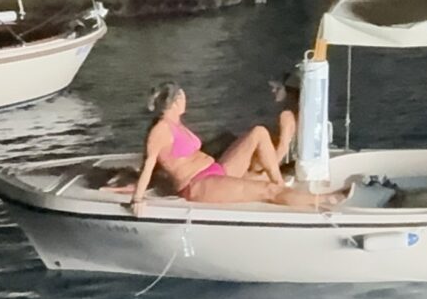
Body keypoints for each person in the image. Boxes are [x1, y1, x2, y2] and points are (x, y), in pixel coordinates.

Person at [123, 81, 347, 214]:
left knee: (258, 133)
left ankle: (279, 181)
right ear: (175, 102)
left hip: (216, 170)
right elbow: (149, 164)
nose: (186, 101)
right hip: (198, 184)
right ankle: (324, 201)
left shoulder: (176, 122)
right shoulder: (160, 130)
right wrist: (138, 199)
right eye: (183, 98)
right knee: (268, 191)